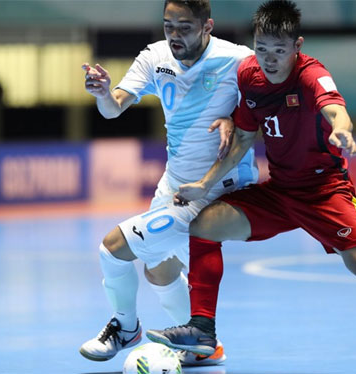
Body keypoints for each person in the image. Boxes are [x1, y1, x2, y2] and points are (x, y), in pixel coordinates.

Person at [145, 1, 356, 373]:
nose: (269, 60)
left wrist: (342, 128)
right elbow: (243, 140)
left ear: (298, 46)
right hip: (280, 192)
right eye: (262, 49)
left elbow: (333, 107)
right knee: (204, 225)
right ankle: (203, 330)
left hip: (325, 191)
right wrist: (204, 184)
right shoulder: (249, 77)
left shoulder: (312, 75)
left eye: (279, 51)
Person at [79, 0, 258, 366]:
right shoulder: (154, 57)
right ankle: (203, 346)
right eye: (168, 26)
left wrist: (233, 119)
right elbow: (113, 108)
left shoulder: (237, 59)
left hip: (217, 190)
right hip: (174, 184)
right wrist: (102, 93)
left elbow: (264, 107)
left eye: (184, 27)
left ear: (207, 26)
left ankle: (126, 328)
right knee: (158, 267)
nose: (174, 35)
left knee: (112, 248)